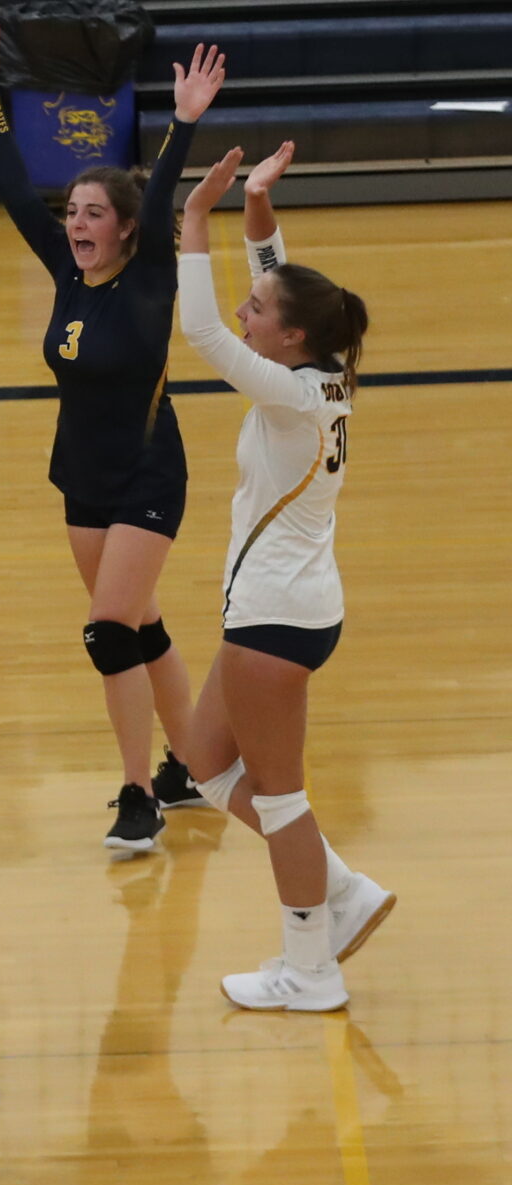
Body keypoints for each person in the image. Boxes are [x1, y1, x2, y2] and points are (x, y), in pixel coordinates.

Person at [0, 30, 226, 852]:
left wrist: (183, 121)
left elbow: (165, 186)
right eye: (72, 211)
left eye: (93, 213)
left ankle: (139, 795)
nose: (75, 222)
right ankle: (189, 765)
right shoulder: (68, 272)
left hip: (148, 472)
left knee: (107, 630)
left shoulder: (150, 276)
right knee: (138, 627)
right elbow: (10, 188)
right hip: (80, 476)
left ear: (129, 229)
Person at [177, 142, 394, 1010]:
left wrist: (196, 216)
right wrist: (258, 204)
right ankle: (341, 889)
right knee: (204, 762)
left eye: (258, 310)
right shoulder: (324, 370)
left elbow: (201, 332)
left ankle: (310, 967)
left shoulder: (292, 393)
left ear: (290, 335)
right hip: (290, 607)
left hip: (275, 619)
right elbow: (277, 278)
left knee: (279, 799)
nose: (246, 308)